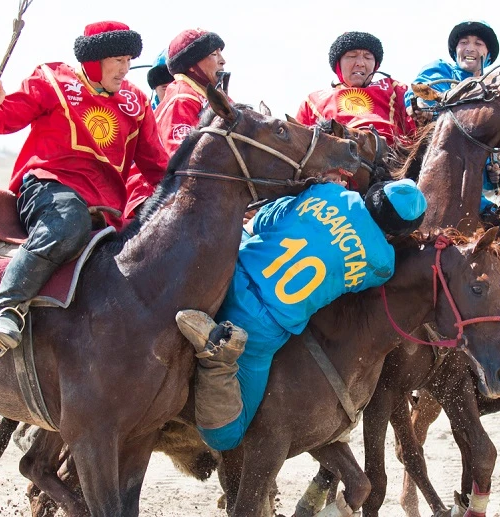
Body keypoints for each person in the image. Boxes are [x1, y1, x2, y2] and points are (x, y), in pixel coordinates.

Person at [175, 177, 428, 451]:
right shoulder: (383, 265)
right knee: (226, 438)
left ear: (375, 193)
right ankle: (219, 362)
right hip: (259, 328)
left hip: (228, 276)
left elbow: (261, 221)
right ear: (401, 232)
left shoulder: (329, 191)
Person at [0, 21, 168, 353]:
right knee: (68, 221)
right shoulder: (52, 80)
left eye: (128, 59)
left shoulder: (134, 104)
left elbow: (158, 167)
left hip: (107, 209)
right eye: (118, 59)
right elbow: (4, 118)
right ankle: (6, 308)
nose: (125, 68)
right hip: (48, 188)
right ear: (95, 60)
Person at [404, 20, 500, 220]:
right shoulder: (440, 70)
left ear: (489, 54)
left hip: (475, 196)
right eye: (464, 42)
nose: (470, 48)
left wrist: (495, 177)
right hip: (430, 173)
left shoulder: (496, 89)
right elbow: (420, 97)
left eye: (478, 44)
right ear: (455, 49)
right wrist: (422, 108)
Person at [295, 31, 415, 146]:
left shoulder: (395, 88)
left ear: (375, 65)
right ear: (338, 65)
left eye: (368, 58)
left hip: (389, 157)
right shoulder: (314, 101)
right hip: (338, 158)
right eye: (352, 56)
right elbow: (297, 145)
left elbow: (416, 126)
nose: (360, 63)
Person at [155, 28, 227, 156]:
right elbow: (179, 160)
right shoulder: (181, 100)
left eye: (220, 53)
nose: (222, 61)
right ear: (192, 66)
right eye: (214, 54)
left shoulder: (214, 96)